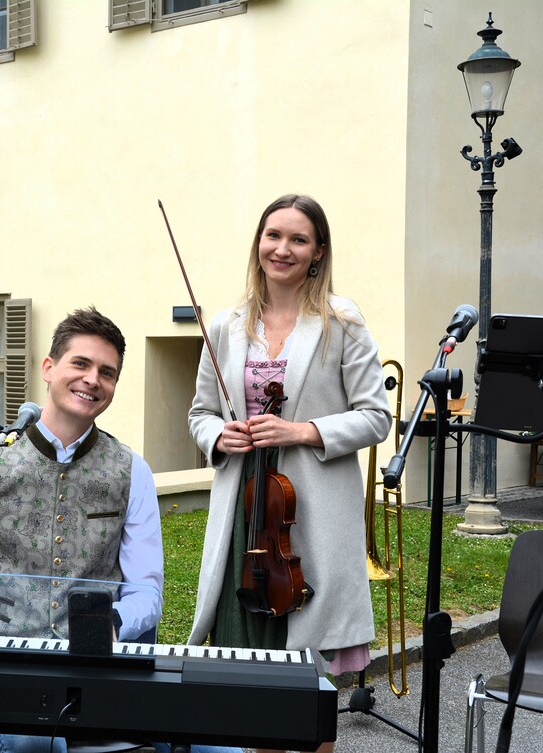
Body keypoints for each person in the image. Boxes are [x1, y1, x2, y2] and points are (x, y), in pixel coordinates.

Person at [187, 194, 392, 753]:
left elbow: (376, 416)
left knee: (306, 678)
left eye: (298, 239)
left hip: (309, 511)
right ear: (258, 242)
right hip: (246, 511)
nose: (282, 249)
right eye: (273, 235)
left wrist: (301, 431)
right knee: (249, 668)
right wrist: (218, 436)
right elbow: (201, 413)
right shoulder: (226, 325)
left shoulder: (342, 321)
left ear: (318, 252)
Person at [0, 306, 165, 753]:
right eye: (80, 363)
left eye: (107, 372)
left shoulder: (133, 471)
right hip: (3, 672)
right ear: (48, 368)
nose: (92, 379)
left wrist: (113, 624)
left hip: (95, 672)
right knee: (36, 743)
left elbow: (146, 592)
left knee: (216, 740)